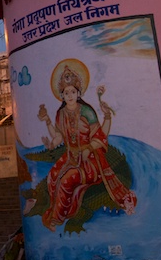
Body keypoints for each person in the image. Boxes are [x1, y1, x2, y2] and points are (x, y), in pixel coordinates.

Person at [36, 61, 137, 232]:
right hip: (70, 157)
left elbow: (100, 136)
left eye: (73, 92)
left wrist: (89, 148)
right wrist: (47, 125)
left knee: (67, 180)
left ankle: (57, 218)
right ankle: (59, 211)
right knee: (53, 177)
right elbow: (58, 136)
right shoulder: (61, 114)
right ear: (62, 95)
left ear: (78, 93)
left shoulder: (87, 112)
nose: (69, 95)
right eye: (66, 92)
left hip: (89, 160)